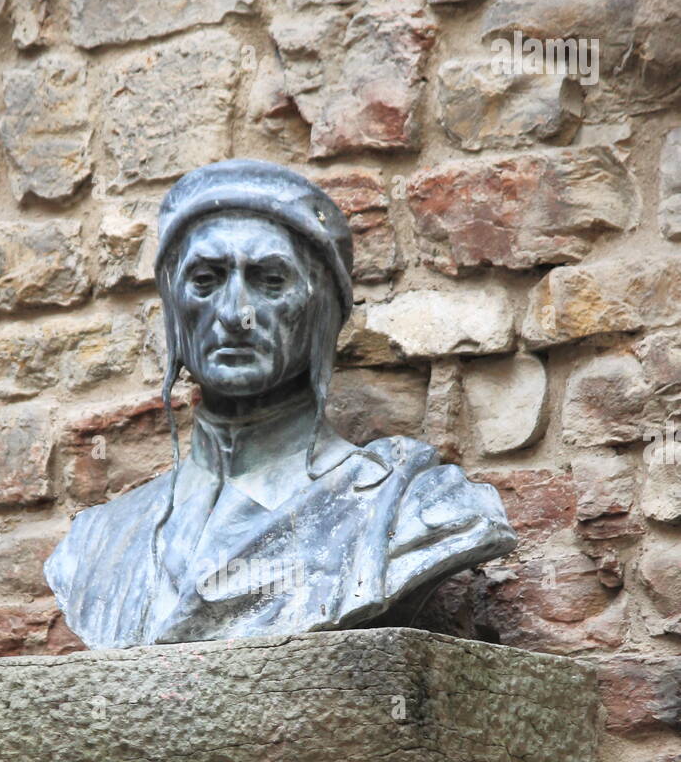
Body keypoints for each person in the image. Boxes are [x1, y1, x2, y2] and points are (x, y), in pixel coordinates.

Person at [45, 159, 516, 648]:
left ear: (322, 310)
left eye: (270, 281)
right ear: (172, 304)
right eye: (204, 281)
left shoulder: (408, 508)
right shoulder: (96, 544)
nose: (233, 315)